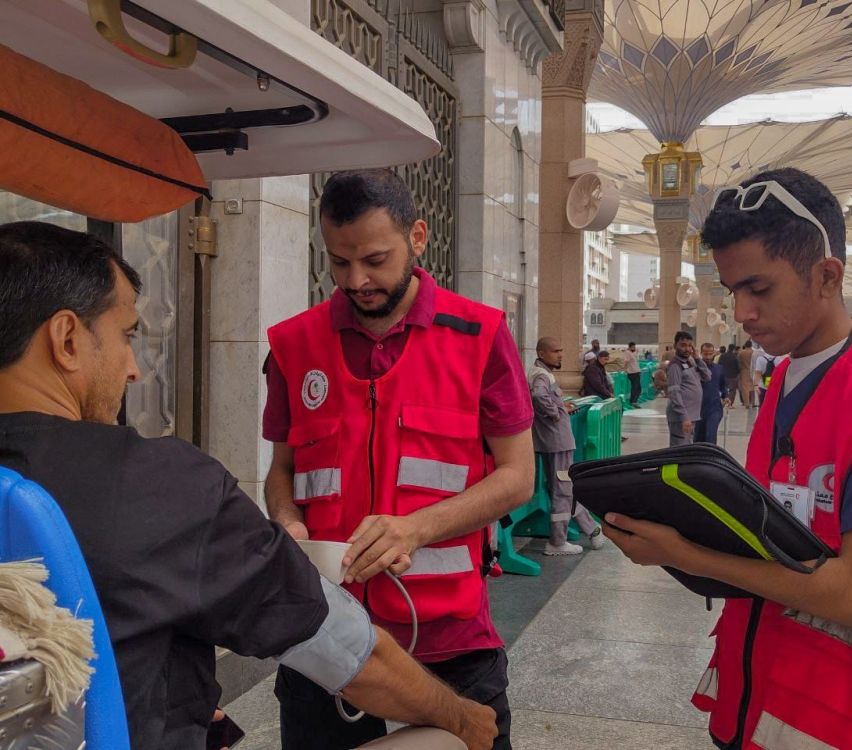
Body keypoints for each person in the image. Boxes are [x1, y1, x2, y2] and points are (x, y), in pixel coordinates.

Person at [0, 222, 498, 750]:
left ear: (416, 240)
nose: (134, 369)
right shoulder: (158, 484)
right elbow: (349, 652)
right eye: (126, 336)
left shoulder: (480, 334)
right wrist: (465, 719)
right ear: (67, 339)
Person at [604, 168, 852, 749]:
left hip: (846, 715)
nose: (741, 312)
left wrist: (687, 555)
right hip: (764, 693)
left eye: (758, 289)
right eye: (733, 291)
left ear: (827, 276)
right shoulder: (788, 377)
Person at [262, 170, 534, 750]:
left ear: (417, 237)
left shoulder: (480, 336)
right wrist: (286, 520)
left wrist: (416, 528)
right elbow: (282, 470)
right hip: (326, 635)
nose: (356, 281)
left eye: (375, 260)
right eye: (339, 262)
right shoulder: (292, 345)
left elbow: (518, 478)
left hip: (451, 641)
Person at [527, 338, 605, 556]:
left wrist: (560, 406)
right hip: (557, 441)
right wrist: (556, 413)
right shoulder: (541, 375)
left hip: (554, 441)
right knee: (563, 489)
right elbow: (539, 396)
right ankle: (558, 541)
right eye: (555, 351)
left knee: (562, 488)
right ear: (541, 353)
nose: (560, 354)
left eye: (561, 350)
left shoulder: (541, 373)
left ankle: (591, 529)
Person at [665, 331, 710, 447]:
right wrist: (684, 417)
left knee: (687, 448)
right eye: (683, 345)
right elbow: (674, 393)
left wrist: (698, 358)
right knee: (679, 450)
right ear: (675, 346)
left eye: (690, 346)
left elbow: (707, 376)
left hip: (691, 415)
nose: (687, 349)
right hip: (681, 418)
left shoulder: (691, 362)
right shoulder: (675, 366)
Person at [694, 342, 729, 444]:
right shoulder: (695, 369)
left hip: (714, 407)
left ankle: (711, 453)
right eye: (705, 354)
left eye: (710, 354)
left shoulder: (719, 368)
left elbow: (723, 385)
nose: (708, 357)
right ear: (701, 353)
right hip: (698, 408)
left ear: (714, 353)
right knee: (698, 437)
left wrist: (726, 396)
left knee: (710, 435)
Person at [737, 340, 755, 407]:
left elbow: (738, 362)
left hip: (744, 371)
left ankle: (746, 403)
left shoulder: (741, 353)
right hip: (753, 371)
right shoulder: (754, 352)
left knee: (745, 388)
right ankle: (753, 402)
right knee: (752, 388)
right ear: (751, 345)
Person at [624, 341, 641, 406]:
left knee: (637, 388)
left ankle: (634, 401)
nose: (634, 348)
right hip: (633, 373)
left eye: (634, 347)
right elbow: (626, 361)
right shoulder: (628, 353)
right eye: (633, 347)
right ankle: (633, 401)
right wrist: (625, 370)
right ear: (630, 347)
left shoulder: (632, 353)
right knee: (636, 387)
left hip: (636, 372)